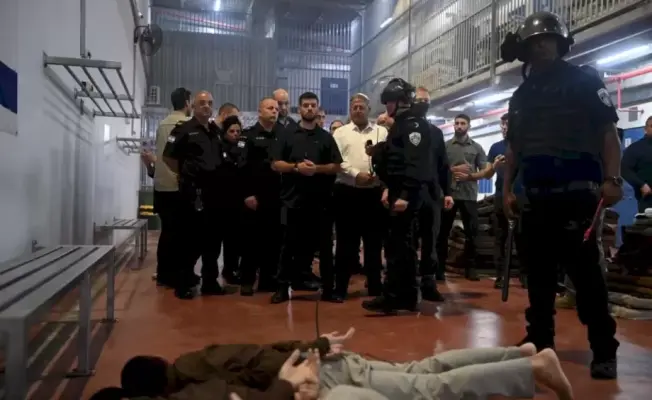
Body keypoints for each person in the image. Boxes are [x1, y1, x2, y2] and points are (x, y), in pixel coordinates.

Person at [500, 11, 622, 379]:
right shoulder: (521, 95)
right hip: (535, 198)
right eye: (534, 42)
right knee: (537, 280)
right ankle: (541, 342)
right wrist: (506, 190)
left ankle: (604, 348)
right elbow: (513, 149)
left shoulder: (583, 81)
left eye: (547, 39)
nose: (541, 46)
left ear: (560, 43)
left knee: (586, 279)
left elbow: (608, 133)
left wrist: (613, 178)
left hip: (577, 197)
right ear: (526, 50)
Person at [116, 327, 574, 400]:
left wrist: (295, 376)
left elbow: (259, 368)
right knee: (424, 371)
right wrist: (312, 344)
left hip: (325, 375)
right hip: (322, 363)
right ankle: (520, 355)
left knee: (429, 389)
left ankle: (531, 370)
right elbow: (259, 349)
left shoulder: (195, 379)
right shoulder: (196, 362)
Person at [362, 78, 436, 313]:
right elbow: (397, 157)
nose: (387, 107)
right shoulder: (401, 124)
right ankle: (406, 296)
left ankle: (395, 296)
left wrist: (404, 195)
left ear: (400, 101)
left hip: (407, 193)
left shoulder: (413, 124)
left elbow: (416, 164)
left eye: (389, 102)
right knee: (400, 246)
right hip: (398, 190)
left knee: (399, 247)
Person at [271, 91, 343, 304]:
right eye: (306, 105)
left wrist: (316, 169)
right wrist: (296, 167)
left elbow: (336, 166)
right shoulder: (287, 135)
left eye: (313, 105)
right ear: (299, 108)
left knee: (325, 248)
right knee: (288, 247)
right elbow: (276, 164)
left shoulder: (326, 138)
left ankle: (328, 290)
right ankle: (282, 288)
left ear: (318, 108)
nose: (310, 108)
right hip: (294, 201)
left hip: (321, 203)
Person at [162, 91, 226, 299]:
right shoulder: (183, 130)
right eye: (202, 103)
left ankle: (210, 282)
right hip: (192, 193)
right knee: (190, 240)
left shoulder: (215, 131)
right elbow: (168, 157)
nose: (206, 106)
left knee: (213, 241)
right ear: (193, 106)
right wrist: (184, 173)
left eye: (210, 103)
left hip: (214, 193)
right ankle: (183, 283)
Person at [332, 94, 388, 300]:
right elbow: (337, 160)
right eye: (354, 107)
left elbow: (387, 158)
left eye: (361, 107)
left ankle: (375, 286)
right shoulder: (340, 133)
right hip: (347, 193)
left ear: (368, 109)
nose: (357, 110)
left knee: (374, 243)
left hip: (374, 194)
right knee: (346, 244)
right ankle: (340, 288)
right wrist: (356, 174)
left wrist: (377, 174)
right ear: (350, 110)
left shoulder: (382, 132)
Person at [436, 114, 492, 281]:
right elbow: (436, 169)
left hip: (469, 195)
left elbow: (485, 172)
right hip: (449, 195)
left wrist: (470, 176)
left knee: (471, 232)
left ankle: (471, 268)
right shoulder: (445, 147)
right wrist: (453, 170)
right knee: (442, 232)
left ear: (469, 126)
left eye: (463, 123)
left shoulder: (476, 148)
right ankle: (439, 267)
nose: (459, 126)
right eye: (457, 123)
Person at [239, 97, 284, 296]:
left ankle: (268, 280)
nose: (274, 111)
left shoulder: (283, 134)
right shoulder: (248, 135)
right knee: (251, 241)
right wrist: (247, 193)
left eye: (276, 109)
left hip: (277, 196)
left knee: (274, 241)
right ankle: (247, 280)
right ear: (260, 111)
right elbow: (241, 167)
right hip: (255, 197)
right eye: (270, 108)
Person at [413, 86, 452, 301]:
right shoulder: (402, 129)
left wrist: (448, 192)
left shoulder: (436, 133)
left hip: (431, 195)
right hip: (409, 194)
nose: (423, 104)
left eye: (426, 101)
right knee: (408, 240)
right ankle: (408, 283)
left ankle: (429, 283)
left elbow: (443, 165)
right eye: (419, 100)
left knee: (431, 240)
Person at [152, 87, 191, 288]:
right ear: (187, 102)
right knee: (181, 234)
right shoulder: (186, 125)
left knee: (167, 232)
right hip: (178, 186)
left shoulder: (162, 124)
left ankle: (163, 274)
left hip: (161, 186)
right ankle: (177, 275)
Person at [486, 113, 527, 289]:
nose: (504, 128)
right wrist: (494, 166)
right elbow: (487, 173)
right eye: (502, 124)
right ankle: (500, 275)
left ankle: (525, 275)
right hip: (500, 197)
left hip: (521, 197)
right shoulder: (495, 148)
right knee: (500, 237)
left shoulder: (525, 147)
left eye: (507, 124)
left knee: (522, 237)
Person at [622, 115, 652, 212]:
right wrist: (641, 184)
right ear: (645, 129)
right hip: (648, 199)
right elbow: (624, 169)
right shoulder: (635, 148)